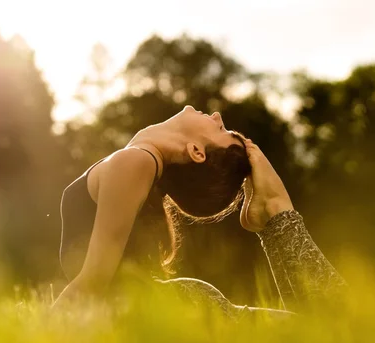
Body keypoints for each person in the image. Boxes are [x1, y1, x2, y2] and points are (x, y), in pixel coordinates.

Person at [55, 105, 346, 318]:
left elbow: (93, 281)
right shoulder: (136, 164)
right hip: (175, 309)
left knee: (338, 329)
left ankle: (274, 208)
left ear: (197, 151)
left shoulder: (136, 163)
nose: (217, 117)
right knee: (328, 330)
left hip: (178, 309)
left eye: (221, 130)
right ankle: (274, 211)